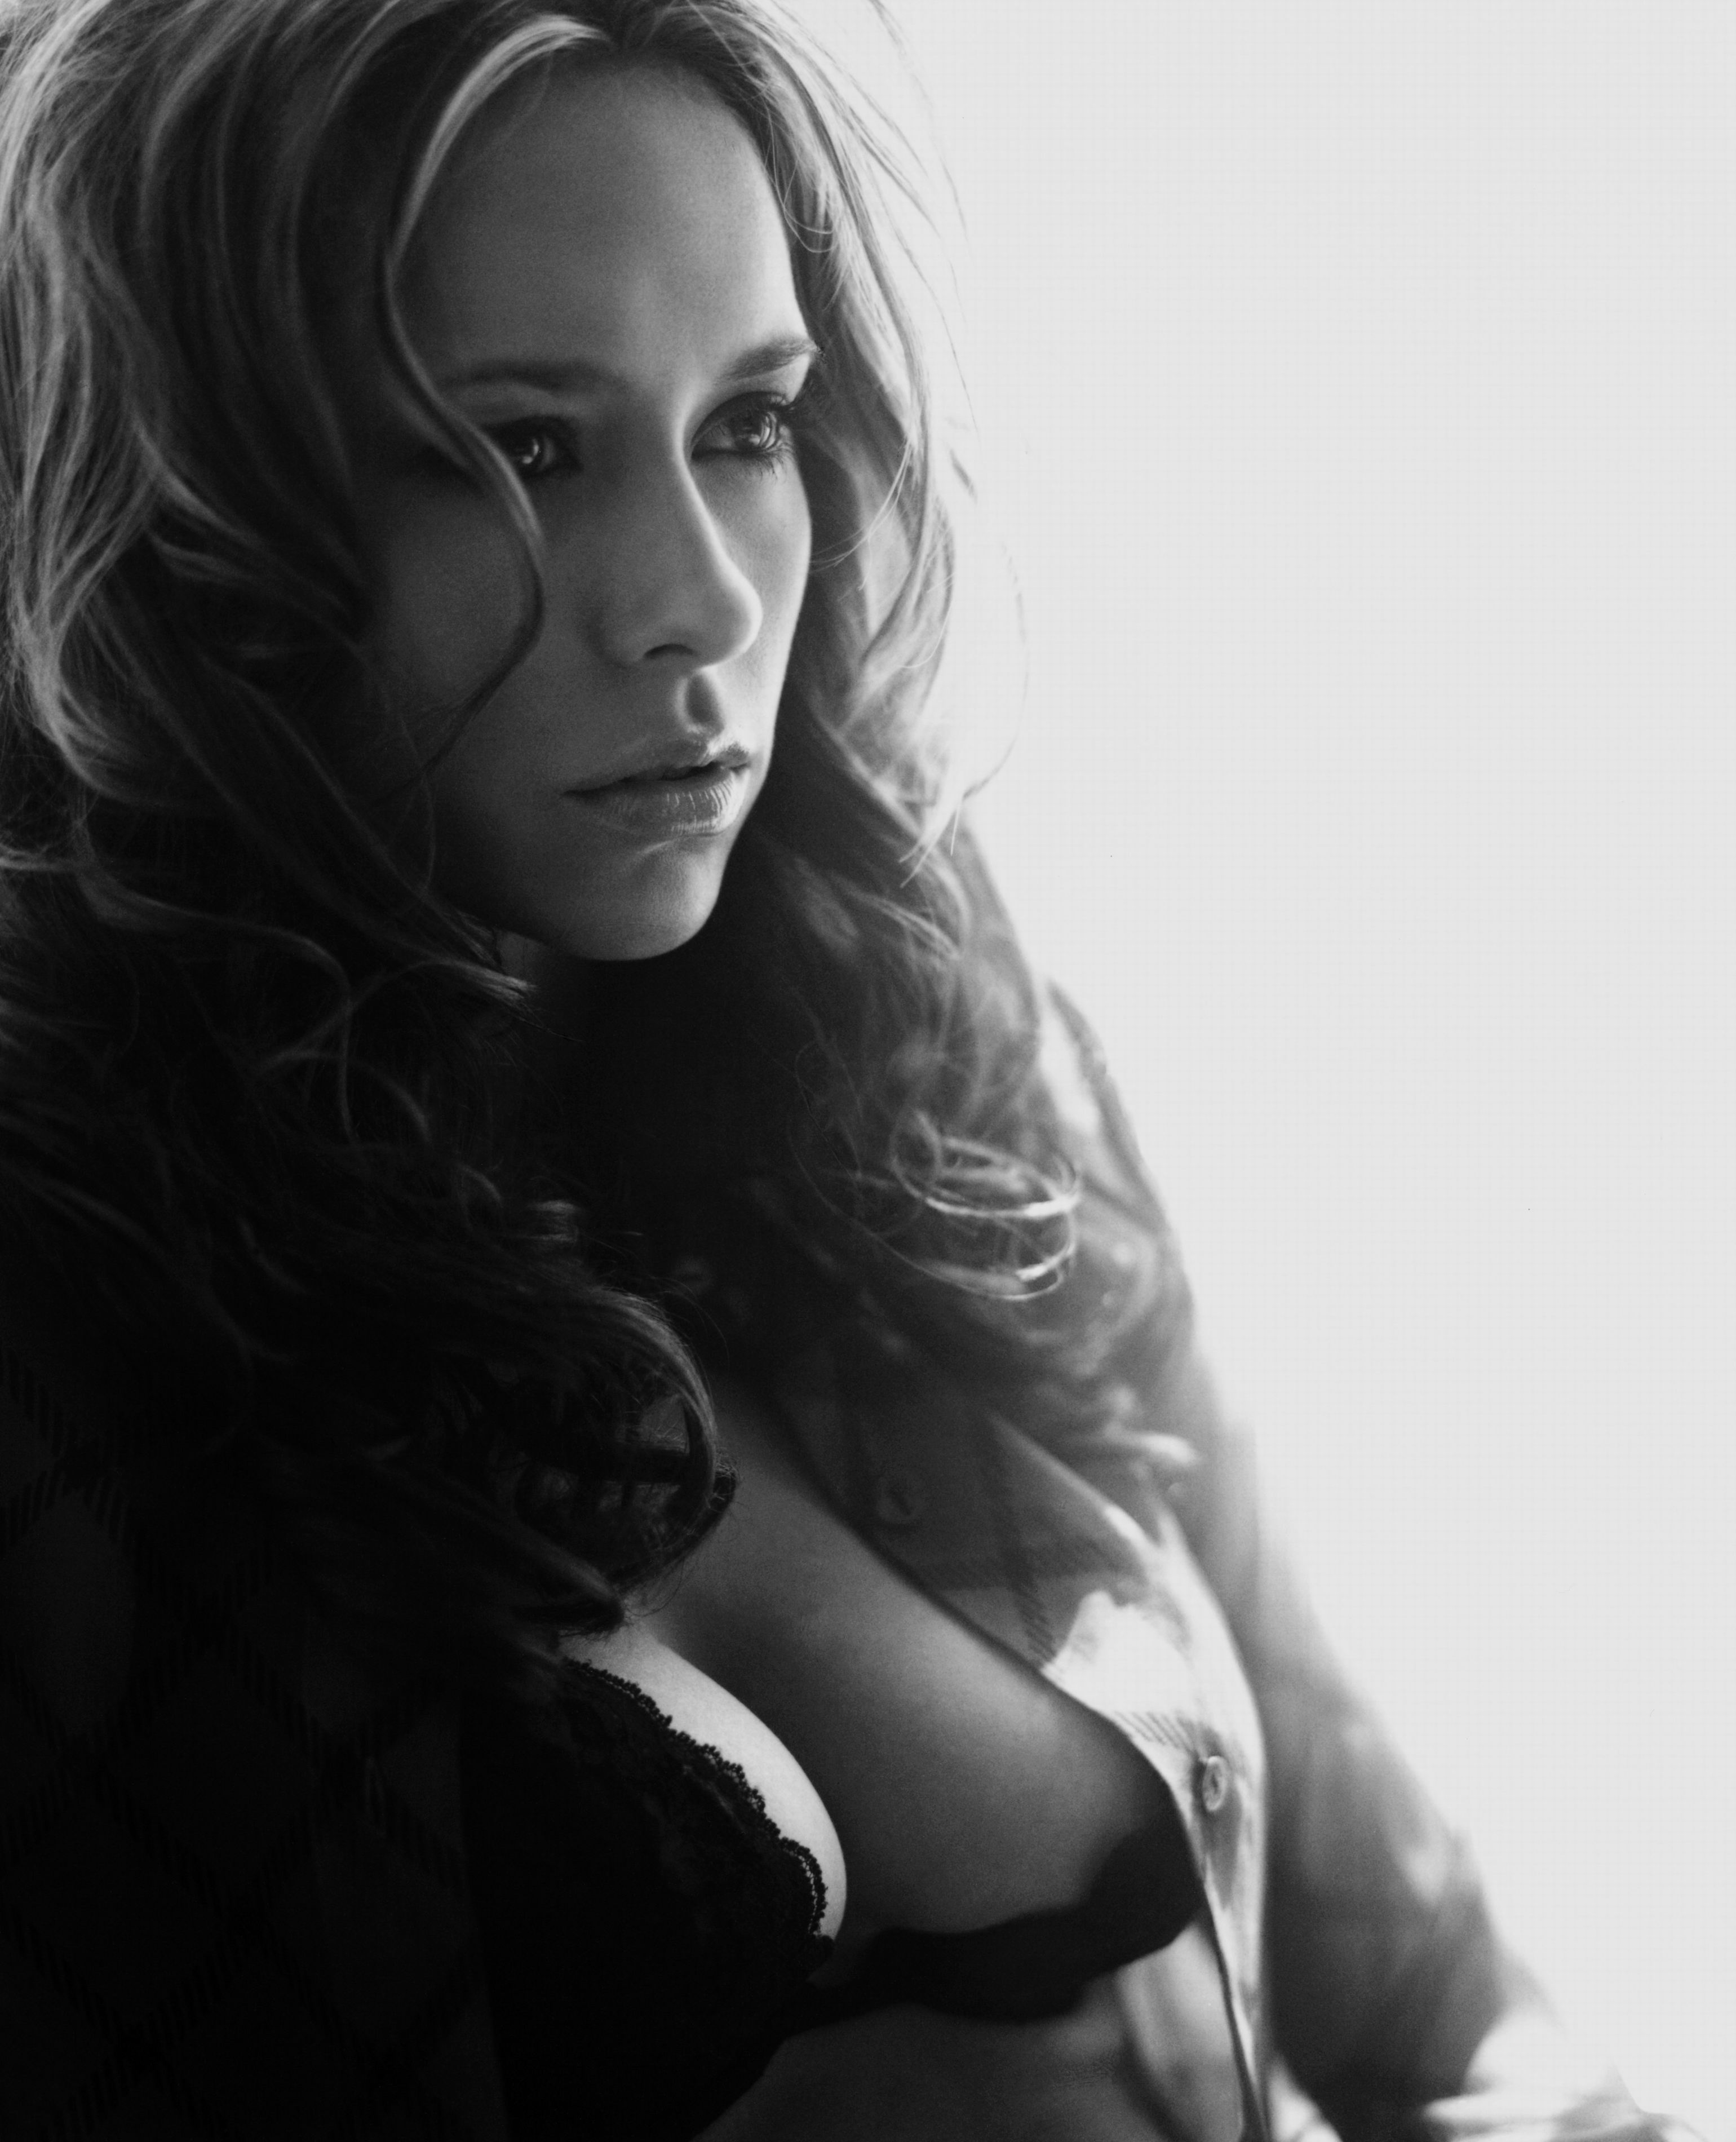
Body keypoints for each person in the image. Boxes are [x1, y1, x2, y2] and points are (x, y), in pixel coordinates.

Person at [0, 2, 1698, 2138]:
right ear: (191, 523)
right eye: (520, 450)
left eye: (749, 423)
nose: (701, 600)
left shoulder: (929, 1051)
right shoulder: (70, 1333)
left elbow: (1431, 1990)